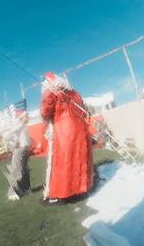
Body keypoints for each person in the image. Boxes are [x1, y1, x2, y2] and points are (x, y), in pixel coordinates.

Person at [40, 72, 94, 204]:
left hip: (64, 132)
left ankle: (61, 195)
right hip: (81, 130)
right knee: (80, 161)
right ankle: (81, 192)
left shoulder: (51, 90)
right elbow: (84, 111)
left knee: (64, 163)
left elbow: (45, 111)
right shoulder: (75, 93)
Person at [5, 114, 32, 199]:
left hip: (25, 150)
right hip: (19, 150)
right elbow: (7, 135)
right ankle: (12, 193)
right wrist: (13, 144)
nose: (28, 117)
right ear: (21, 118)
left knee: (25, 171)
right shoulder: (18, 126)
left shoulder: (24, 126)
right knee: (17, 171)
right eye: (26, 116)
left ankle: (25, 189)